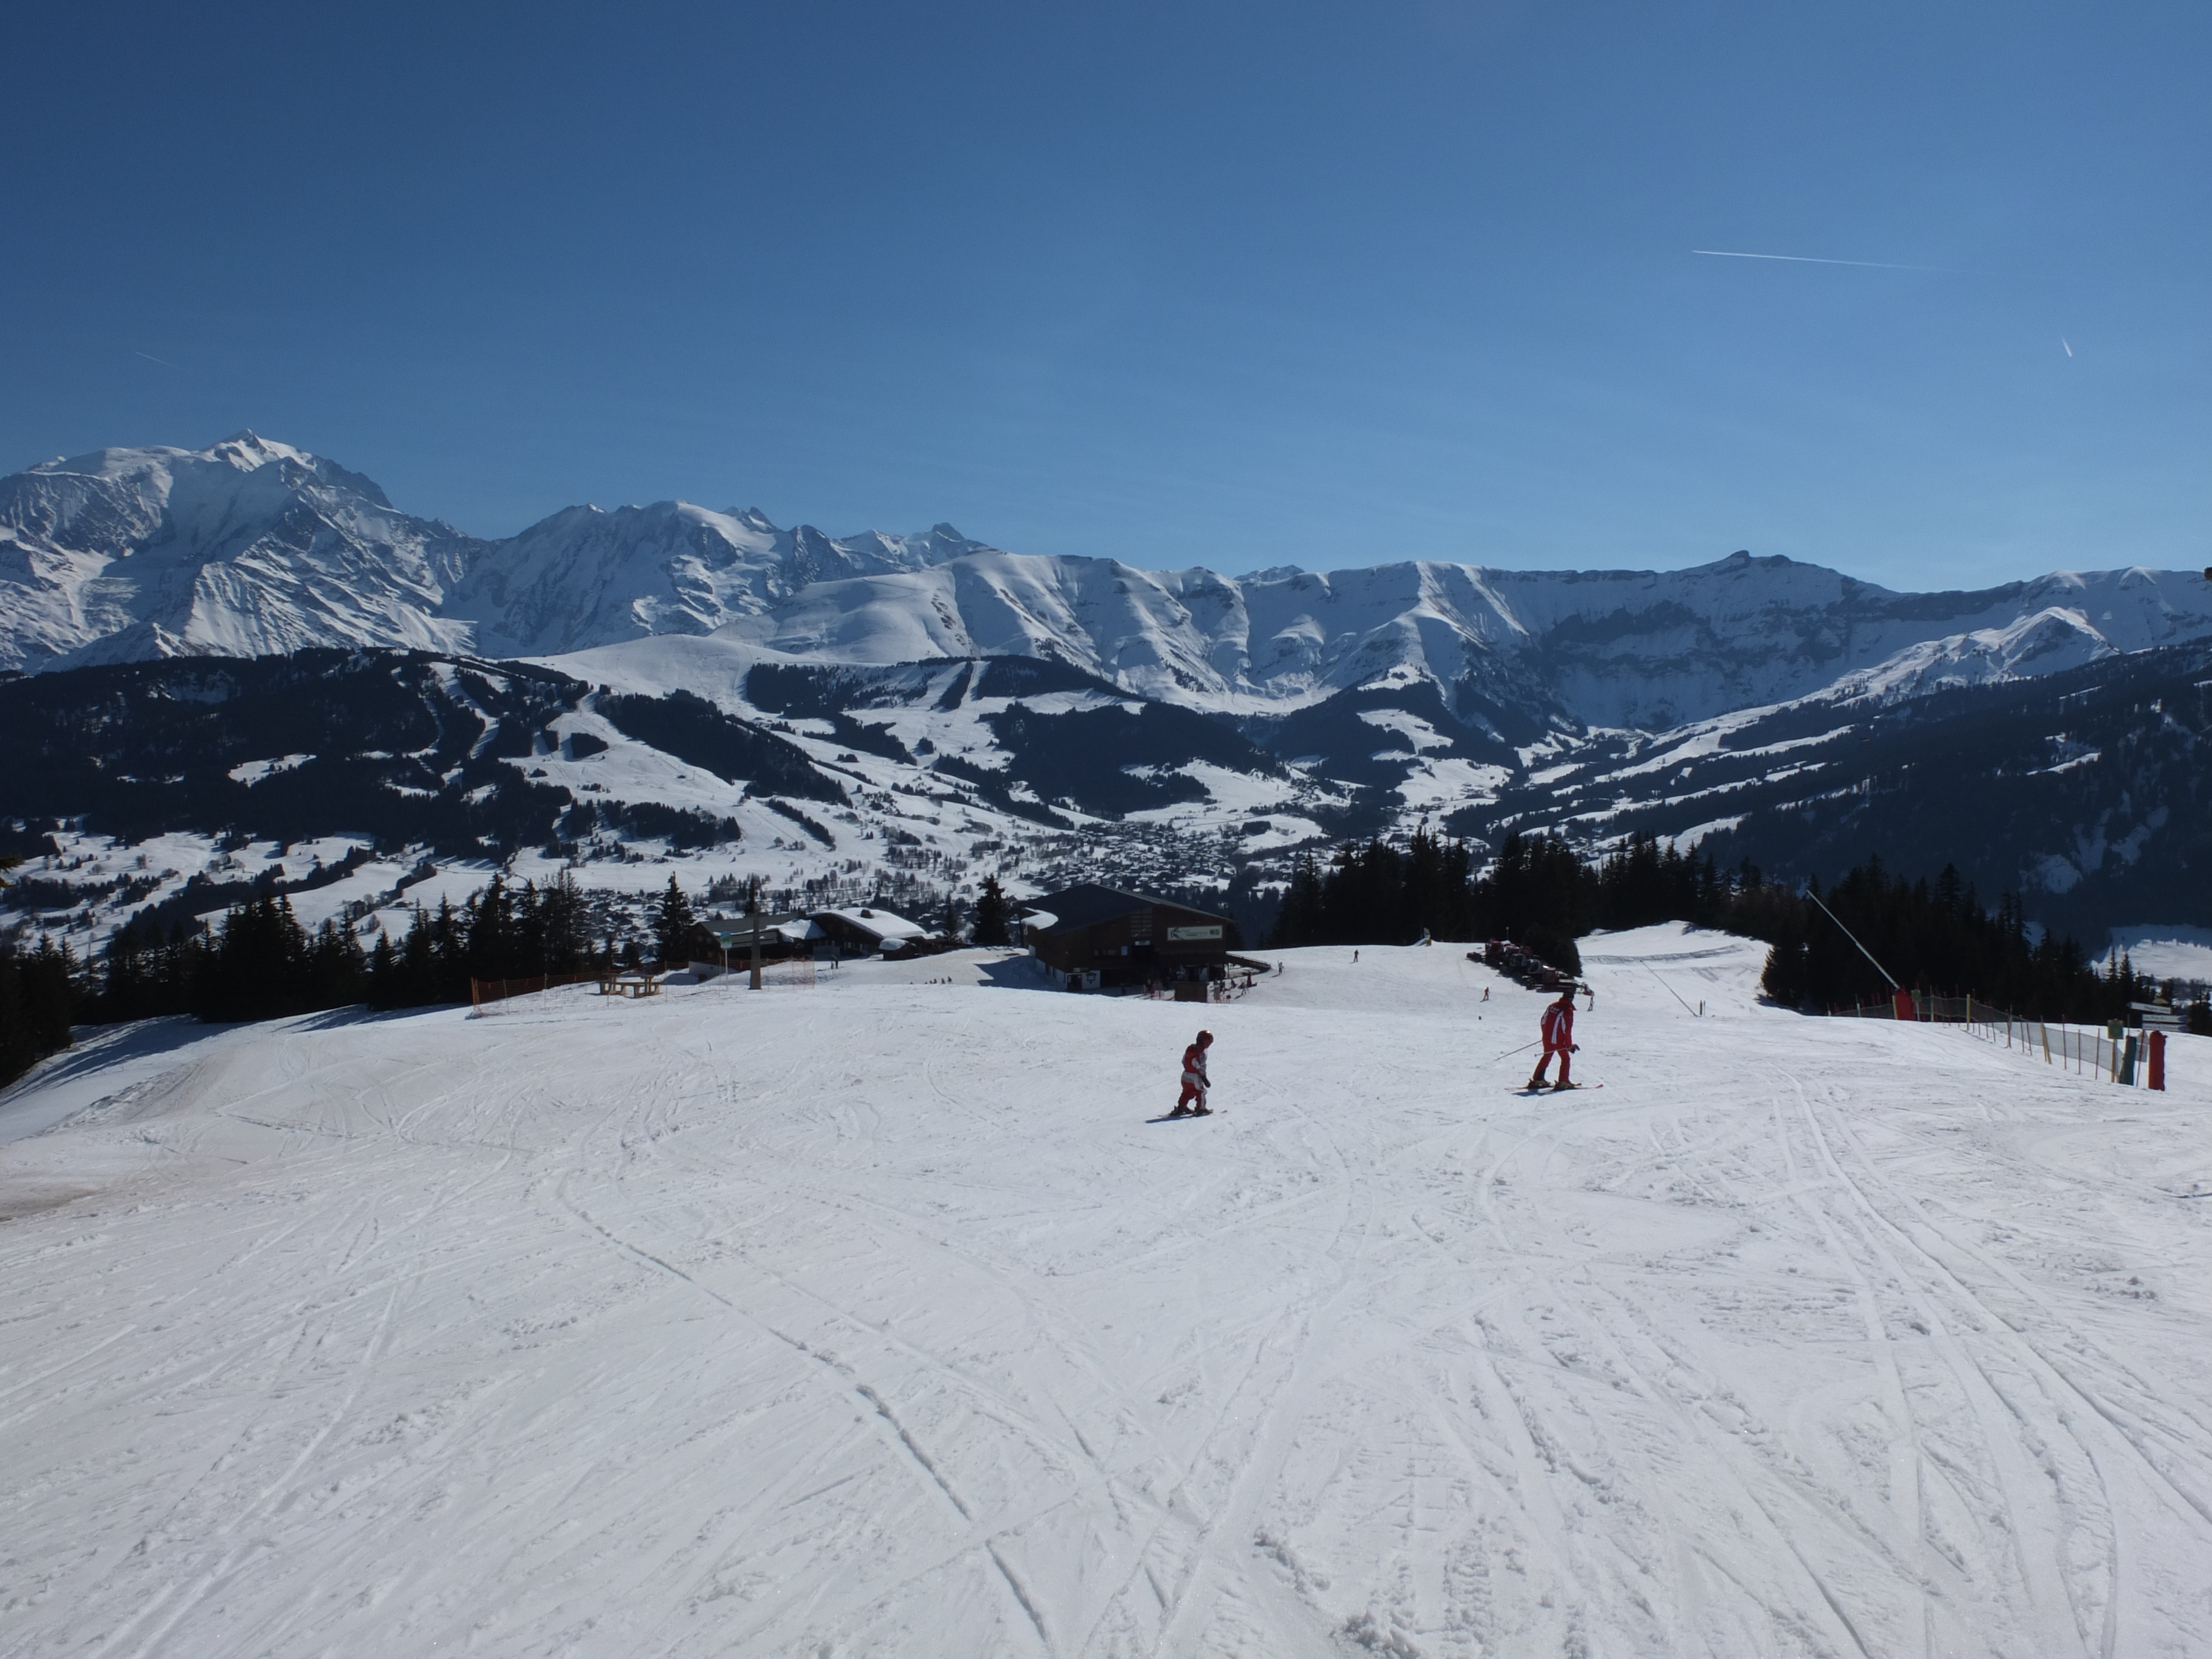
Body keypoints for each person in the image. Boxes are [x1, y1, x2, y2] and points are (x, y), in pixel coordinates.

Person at [1526, 988, 1579, 1091]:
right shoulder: (1567, 1011)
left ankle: (1538, 1079)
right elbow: (1566, 1029)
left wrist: (1546, 1035)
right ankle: (1563, 1081)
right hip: (1559, 1040)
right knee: (1565, 1059)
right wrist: (1569, 1045)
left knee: (1547, 1055)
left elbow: (1543, 1021)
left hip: (1548, 1038)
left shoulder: (1552, 1006)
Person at [1171, 1029, 1214, 1117]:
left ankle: (1181, 1107)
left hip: (1185, 1075)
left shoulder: (1190, 1049)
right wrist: (1204, 1078)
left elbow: (1184, 1061)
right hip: (1195, 1077)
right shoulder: (1201, 1053)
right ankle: (1200, 1109)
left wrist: (1188, 1068)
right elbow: (1201, 1066)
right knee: (1200, 1092)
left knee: (1187, 1092)